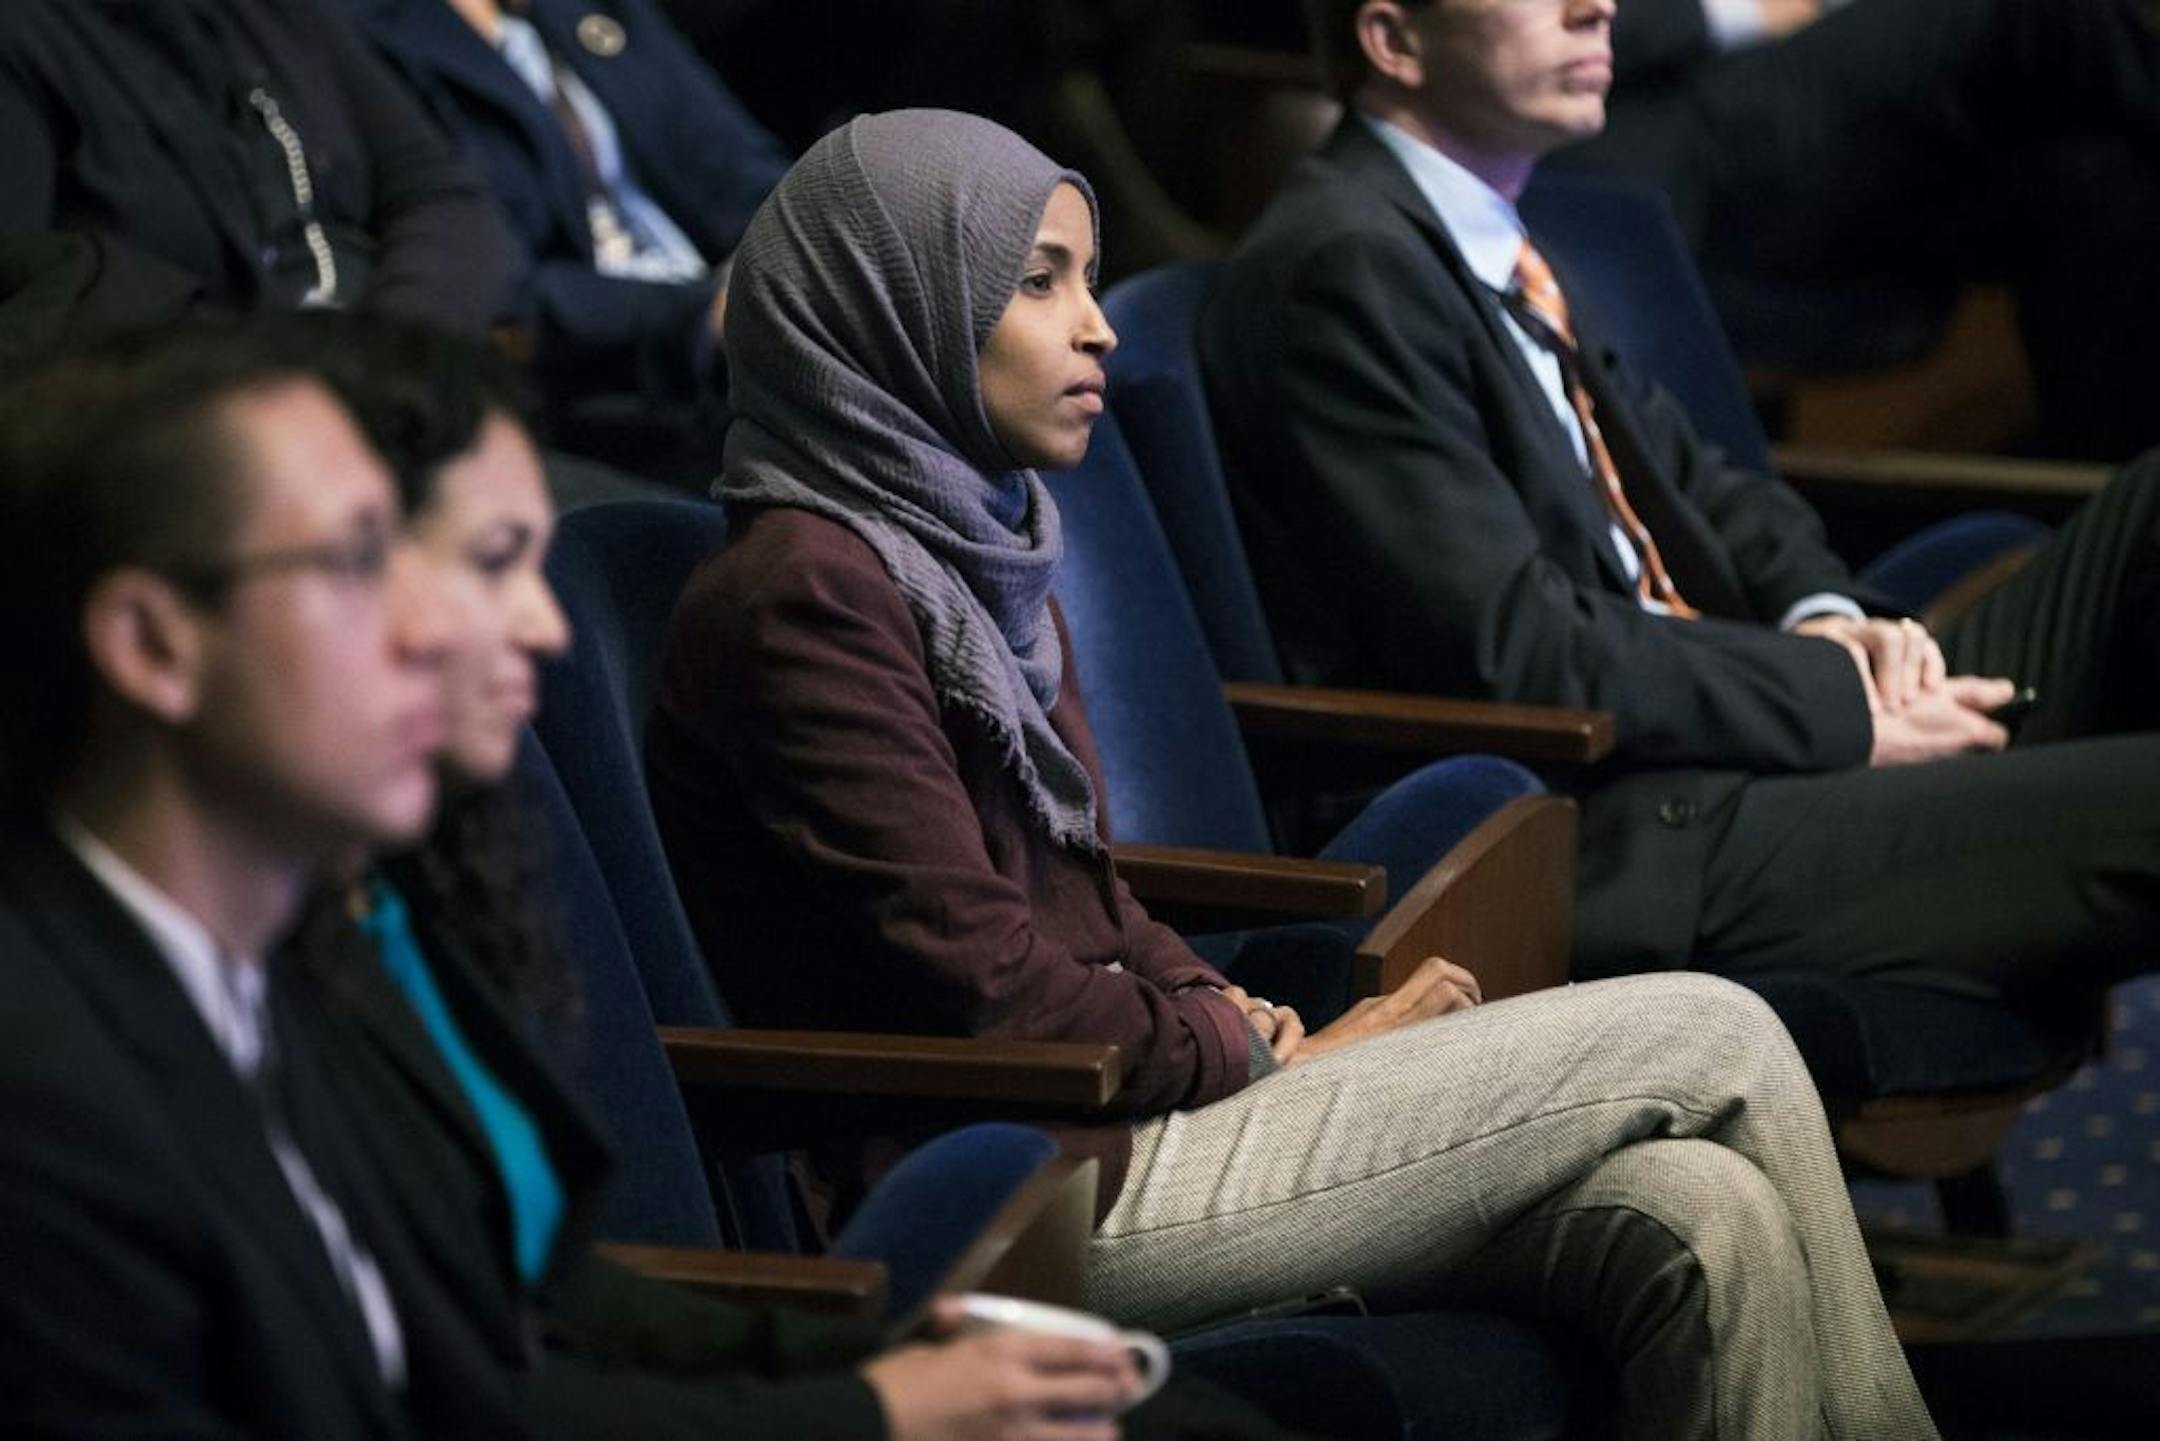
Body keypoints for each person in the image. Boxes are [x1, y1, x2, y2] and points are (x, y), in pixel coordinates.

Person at [647, 105, 1938, 1438]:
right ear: (891, 306)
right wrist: (1240, 1046)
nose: (1097, 326)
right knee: (1719, 1031)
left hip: (1113, 1118)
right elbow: (981, 985)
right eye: (1038, 283)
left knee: (1694, 1206)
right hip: (1008, 1192)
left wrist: (1218, 994)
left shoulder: (962, 548)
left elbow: (1079, 896)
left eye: (1091, 280)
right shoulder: (803, 593)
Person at [0, 316, 1188, 1439]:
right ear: (153, 644)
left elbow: (531, 1317)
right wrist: (872, 1416)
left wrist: (879, 1370)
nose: (455, 626)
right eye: (363, 562)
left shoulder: (293, 964)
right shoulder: (48, 1095)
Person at [1200, 3, 2160, 1013]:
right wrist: (1834, 702)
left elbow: (1704, 486)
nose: (1597, 5)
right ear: (1392, 41)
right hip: (1635, 823)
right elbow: (1521, 646)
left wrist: (1831, 618)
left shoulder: (1480, 232)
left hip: (1738, 726)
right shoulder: (1341, 266)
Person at [1546, 0, 2160, 461]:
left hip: (1768, 84)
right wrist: (1736, 8)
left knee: (2087, 173)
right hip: (1670, 114)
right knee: (2032, 15)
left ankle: (2106, 499)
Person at [331, 0, 792, 480]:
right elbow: (493, 278)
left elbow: (738, 165)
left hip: (734, 320)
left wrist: (808, 255)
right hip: (604, 387)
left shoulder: (585, 10)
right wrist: (699, 313)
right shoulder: (365, 34)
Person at [0, 0, 515, 338]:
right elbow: (31, 291)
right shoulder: (25, 33)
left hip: (389, 380)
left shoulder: (274, 13)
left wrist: (387, 348)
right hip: (183, 430)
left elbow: (444, 194)